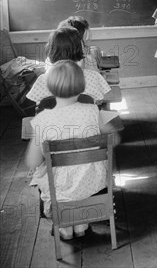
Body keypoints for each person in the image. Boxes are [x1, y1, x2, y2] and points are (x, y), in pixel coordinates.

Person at [25, 61, 112, 240]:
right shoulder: (93, 111)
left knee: (47, 174)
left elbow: (32, 162)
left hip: (59, 186)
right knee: (80, 178)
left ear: (50, 87)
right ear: (81, 86)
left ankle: (66, 229)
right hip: (92, 180)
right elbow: (114, 139)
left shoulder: (42, 119)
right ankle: (81, 225)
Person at [27, 27, 111, 104]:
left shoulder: (42, 80)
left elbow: (39, 104)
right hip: (84, 120)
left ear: (51, 51)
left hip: (53, 120)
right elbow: (99, 101)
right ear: (81, 49)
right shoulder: (93, 77)